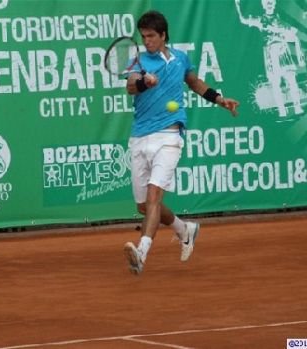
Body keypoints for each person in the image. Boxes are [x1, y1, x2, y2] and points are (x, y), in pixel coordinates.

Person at [124, 10, 239, 275]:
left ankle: (141, 253)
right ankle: (184, 229)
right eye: (143, 36)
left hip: (170, 136)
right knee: (143, 206)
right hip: (140, 137)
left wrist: (220, 99)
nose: (147, 41)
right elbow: (131, 85)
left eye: (151, 36)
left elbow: (195, 82)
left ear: (163, 35)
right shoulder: (138, 60)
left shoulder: (181, 59)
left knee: (154, 195)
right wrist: (144, 81)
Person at [235, 0, 305, 117]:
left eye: (271, 1)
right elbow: (243, 19)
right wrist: (237, 4)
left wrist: (298, 52)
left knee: (292, 81)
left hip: (283, 51)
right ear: (263, 4)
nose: (269, 3)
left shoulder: (281, 19)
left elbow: (293, 33)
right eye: (267, 2)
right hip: (271, 53)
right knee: (275, 83)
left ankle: (297, 107)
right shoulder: (260, 20)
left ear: (275, 3)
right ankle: (282, 110)